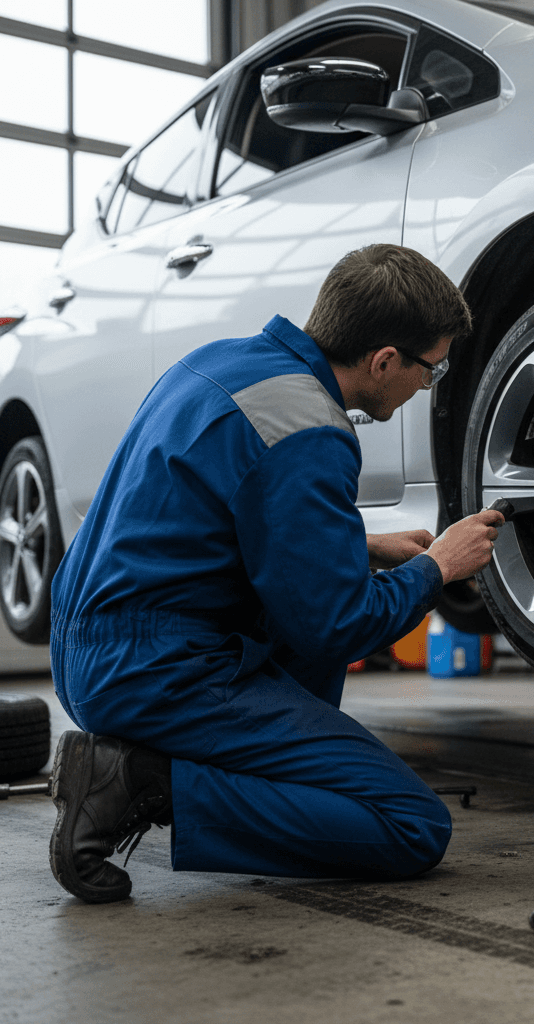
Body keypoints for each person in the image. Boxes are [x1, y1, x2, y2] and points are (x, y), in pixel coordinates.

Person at [47, 243, 503, 903]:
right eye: (430, 371)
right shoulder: (313, 432)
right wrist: (438, 568)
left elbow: (209, 507)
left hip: (88, 646)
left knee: (299, 636)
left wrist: (361, 546)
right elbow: (337, 627)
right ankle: (142, 781)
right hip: (153, 670)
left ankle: (227, 771)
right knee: (411, 825)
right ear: (384, 361)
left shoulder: (221, 362)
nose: (424, 388)